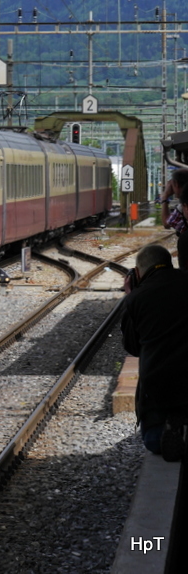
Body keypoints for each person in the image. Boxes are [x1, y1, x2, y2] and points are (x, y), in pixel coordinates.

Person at [120, 244, 188, 460]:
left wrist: (129, 297)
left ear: (137, 273)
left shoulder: (137, 298)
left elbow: (133, 347)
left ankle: (165, 432)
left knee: (152, 439)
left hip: (158, 384)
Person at [160, 168, 188, 268]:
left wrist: (164, 198)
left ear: (175, 184)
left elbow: (166, 223)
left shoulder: (182, 206)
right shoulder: (181, 206)